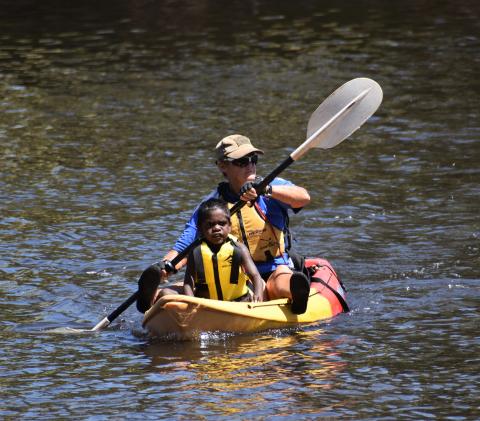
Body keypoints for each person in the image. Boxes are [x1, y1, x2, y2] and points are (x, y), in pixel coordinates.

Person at [137, 134, 311, 314]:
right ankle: (151, 297)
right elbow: (185, 245)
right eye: (242, 161)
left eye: (253, 159)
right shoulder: (212, 206)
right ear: (223, 166)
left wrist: (266, 190)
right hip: (229, 276)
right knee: (171, 293)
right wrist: (165, 266)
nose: (250, 164)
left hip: (274, 267)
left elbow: (303, 198)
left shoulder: (272, 187)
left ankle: (296, 294)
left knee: (281, 283)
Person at [143, 198, 264, 304]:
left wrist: (258, 296)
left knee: (261, 287)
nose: (216, 228)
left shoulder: (239, 249)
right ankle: (150, 305)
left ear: (230, 226)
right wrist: (192, 303)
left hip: (238, 302)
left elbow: (255, 276)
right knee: (166, 293)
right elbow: (188, 283)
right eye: (210, 225)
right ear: (201, 229)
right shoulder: (196, 252)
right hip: (206, 304)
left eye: (222, 223)